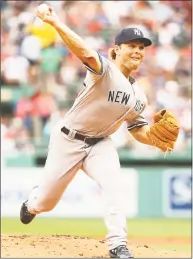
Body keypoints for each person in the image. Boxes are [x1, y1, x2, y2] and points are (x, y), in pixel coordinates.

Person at [20, 5, 179, 258]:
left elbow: (137, 130)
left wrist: (155, 140)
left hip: (100, 144)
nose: (138, 51)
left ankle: (118, 245)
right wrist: (55, 23)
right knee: (46, 203)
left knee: (115, 185)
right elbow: (83, 51)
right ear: (116, 50)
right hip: (68, 140)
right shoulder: (104, 70)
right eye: (132, 46)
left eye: (141, 47)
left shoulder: (139, 96)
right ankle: (32, 203)